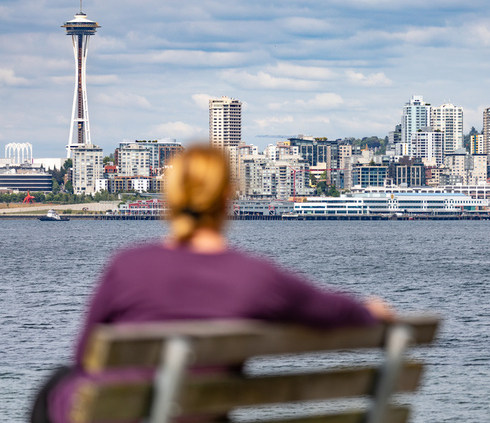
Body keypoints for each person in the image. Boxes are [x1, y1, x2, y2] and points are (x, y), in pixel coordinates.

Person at [35, 145, 393, 423]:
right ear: (227, 199)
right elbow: (332, 310)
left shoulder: (128, 265)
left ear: (171, 199)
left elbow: (86, 357)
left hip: (120, 414)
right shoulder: (256, 277)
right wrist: (369, 310)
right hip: (201, 415)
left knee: (56, 383)